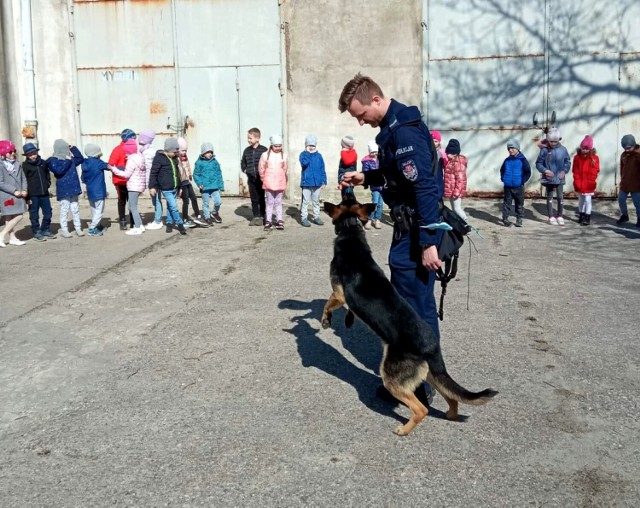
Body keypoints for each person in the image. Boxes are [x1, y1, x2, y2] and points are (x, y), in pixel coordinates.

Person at [337, 73, 443, 405]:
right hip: (407, 231)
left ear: (376, 101)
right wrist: (366, 176)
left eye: (360, 114)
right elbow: (396, 176)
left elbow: (423, 186)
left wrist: (428, 241)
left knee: (416, 309)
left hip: (416, 234)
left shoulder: (405, 132)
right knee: (411, 306)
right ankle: (422, 381)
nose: (361, 121)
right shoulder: (391, 131)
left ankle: (420, 387)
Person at [148, 138, 187, 235]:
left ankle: (169, 223)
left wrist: (180, 186)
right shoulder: (159, 158)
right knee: (174, 207)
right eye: (174, 152)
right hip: (166, 188)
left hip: (174, 187)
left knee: (170, 206)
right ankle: (180, 224)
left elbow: (178, 173)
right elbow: (153, 173)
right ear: (168, 150)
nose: (176, 154)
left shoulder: (174, 159)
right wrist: (152, 186)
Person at [48, 139, 84, 238]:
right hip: (63, 190)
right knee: (64, 209)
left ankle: (78, 227)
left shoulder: (71, 159)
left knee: (75, 208)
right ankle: (64, 229)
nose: (67, 151)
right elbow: (59, 171)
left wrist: (72, 147)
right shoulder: (53, 161)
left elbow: (80, 158)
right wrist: (67, 160)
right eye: (66, 149)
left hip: (74, 188)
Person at [110, 138, 147, 235]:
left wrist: (114, 169)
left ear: (129, 151)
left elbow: (126, 174)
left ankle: (137, 227)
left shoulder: (131, 161)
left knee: (132, 207)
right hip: (139, 186)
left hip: (133, 186)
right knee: (132, 207)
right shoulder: (140, 158)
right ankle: (140, 225)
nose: (125, 154)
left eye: (126, 152)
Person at [535, 127, 571, 225]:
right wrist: (545, 170)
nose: (553, 144)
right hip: (549, 178)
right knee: (549, 196)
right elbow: (538, 163)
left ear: (559, 139)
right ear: (548, 140)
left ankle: (560, 215)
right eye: (551, 141)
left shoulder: (563, 150)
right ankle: (550, 216)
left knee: (560, 197)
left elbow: (567, 162)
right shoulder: (544, 150)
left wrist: (565, 171)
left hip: (559, 177)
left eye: (555, 141)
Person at [21, 142, 55, 241]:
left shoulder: (43, 163)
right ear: (26, 155)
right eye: (30, 154)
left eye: (34, 153)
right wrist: (27, 197)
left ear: (37, 152)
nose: (33, 156)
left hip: (44, 193)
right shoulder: (25, 166)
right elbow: (24, 181)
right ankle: (36, 231)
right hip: (33, 195)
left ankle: (45, 229)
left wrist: (47, 184)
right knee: (34, 214)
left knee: (48, 213)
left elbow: (47, 174)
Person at [0, 140, 28, 247]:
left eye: (14, 151)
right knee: (19, 215)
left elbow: (23, 178)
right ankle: (1, 235)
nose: (13, 153)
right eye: (10, 152)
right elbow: (0, 182)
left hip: (19, 194)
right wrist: (13, 190)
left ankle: (12, 238)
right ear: (3, 153)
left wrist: (25, 189)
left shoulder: (17, 163)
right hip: (7, 195)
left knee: (9, 217)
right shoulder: (1, 165)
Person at [108, 128, 136, 230]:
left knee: (124, 201)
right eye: (132, 138)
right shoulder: (118, 149)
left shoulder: (132, 149)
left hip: (128, 180)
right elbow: (111, 164)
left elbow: (111, 165)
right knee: (125, 200)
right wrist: (123, 170)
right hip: (122, 180)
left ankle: (127, 221)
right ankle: (127, 220)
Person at [500, 138, 531, 227]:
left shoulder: (522, 160)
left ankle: (519, 219)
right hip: (508, 187)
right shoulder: (507, 160)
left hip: (519, 187)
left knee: (519, 203)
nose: (510, 150)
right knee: (507, 203)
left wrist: (522, 181)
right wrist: (503, 179)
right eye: (509, 148)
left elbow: (528, 172)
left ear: (517, 148)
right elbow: (502, 170)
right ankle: (505, 218)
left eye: (512, 148)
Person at [259, 134, 288, 230]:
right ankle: (268, 220)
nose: (278, 148)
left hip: (279, 182)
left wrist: (283, 179)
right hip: (269, 183)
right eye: (276, 146)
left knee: (278, 202)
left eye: (280, 146)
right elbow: (261, 168)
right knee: (270, 202)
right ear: (271, 145)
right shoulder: (265, 155)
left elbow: (285, 169)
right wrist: (264, 179)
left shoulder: (284, 156)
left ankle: (279, 220)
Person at [177, 137, 207, 227]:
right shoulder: (177, 160)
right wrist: (179, 187)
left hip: (187, 181)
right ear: (178, 150)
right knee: (186, 201)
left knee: (193, 198)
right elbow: (178, 172)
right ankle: (185, 219)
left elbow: (188, 166)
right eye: (182, 150)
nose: (184, 152)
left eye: (186, 150)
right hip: (182, 183)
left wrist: (190, 175)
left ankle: (198, 215)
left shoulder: (185, 157)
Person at [81, 143, 110, 236]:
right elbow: (109, 167)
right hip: (99, 191)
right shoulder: (99, 163)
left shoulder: (84, 163)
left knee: (93, 209)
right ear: (97, 154)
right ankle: (92, 228)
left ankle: (98, 225)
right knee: (99, 210)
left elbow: (83, 178)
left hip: (90, 190)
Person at [241, 127, 268, 226]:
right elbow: (243, 162)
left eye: (250, 138)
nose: (248, 140)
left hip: (261, 179)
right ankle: (256, 216)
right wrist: (245, 169)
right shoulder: (247, 150)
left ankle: (262, 216)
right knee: (254, 198)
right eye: (248, 138)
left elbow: (267, 162)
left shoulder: (264, 150)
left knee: (261, 198)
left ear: (257, 138)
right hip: (251, 179)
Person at [298, 134, 327, 227]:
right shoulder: (303, 155)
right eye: (309, 145)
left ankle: (317, 217)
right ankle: (303, 218)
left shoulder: (319, 156)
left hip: (317, 183)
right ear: (306, 146)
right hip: (306, 183)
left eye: (313, 145)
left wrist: (324, 181)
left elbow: (322, 169)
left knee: (316, 201)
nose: (311, 147)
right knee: (305, 201)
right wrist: (307, 153)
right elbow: (304, 163)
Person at [193, 142, 224, 225]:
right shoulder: (199, 162)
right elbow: (196, 174)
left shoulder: (214, 162)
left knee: (218, 202)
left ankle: (214, 213)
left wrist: (221, 185)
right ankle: (207, 217)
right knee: (205, 203)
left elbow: (218, 173)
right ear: (203, 153)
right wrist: (199, 183)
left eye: (211, 152)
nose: (209, 154)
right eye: (207, 152)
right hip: (205, 187)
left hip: (214, 186)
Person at [572, 135, 600, 226]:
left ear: (590, 149)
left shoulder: (594, 158)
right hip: (579, 182)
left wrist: (592, 179)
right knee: (581, 199)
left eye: (587, 149)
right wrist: (576, 180)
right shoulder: (577, 158)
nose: (584, 150)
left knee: (588, 199)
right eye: (583, 148)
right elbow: (575, 170)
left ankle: (587, 217)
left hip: (589, 183)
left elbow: (596, 169)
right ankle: (581, 215)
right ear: (580, 147)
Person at [139, 130, 164, 230]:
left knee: (156, 200)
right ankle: (158, 219)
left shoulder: (147, 152)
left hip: (153, 180)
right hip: (153, 179)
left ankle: (158, 221)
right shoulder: (148, 150)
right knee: (155, 200)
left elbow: (147, 167)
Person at [616, 134, 640, 226]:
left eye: (629, 148)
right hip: (625, 183)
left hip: (636, 184)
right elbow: (622, 168)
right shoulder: (624, 155)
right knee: (621, 199)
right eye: (624, 148)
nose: (626, 150)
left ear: (633, 145)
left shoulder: (638, 154)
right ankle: (624, 215)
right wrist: (622, 179)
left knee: (637, 203)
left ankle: (639, 218)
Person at [443, 139, 468, 220]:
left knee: (457, 209)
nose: (447, 155)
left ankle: (466, 223)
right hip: (452, 191)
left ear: (454, 153)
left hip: (456, 192)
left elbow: (460, 180)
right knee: (454, 210)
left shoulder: (458, 163)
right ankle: (459, 226)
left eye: (448, 153)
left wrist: (456, 192)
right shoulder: (451, 162)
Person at [361, 140, 383, 230]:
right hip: (375, 186)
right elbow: (366, 173)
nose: (374, 154)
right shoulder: (367, 162)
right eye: (372, 152)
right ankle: (370, 219)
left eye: (375, 152)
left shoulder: (381, 160)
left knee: (380, 204)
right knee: (375, 203)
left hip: (383, 186)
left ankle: (377, 219)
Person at [338, 135, 357, 200]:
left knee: (348, 198)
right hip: (343, 178)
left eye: (342, 146)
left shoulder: (351, 153)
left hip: (348, 179)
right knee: (344, 197)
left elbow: (347, 162)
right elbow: (341, 169)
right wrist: (340, 180)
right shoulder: (348, 153)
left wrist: (343, 152)